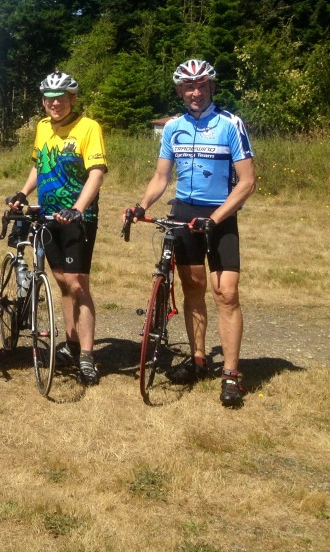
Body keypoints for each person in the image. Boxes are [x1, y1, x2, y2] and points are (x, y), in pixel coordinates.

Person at [128, 59, 255, 408]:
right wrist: (142, 205)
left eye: (201, 85)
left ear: (211, 87)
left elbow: (247, 182)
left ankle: (230, 374)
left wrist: (215, 218)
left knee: (226, 293)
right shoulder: (173, 127)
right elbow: (160, 177)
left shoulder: (231, 124)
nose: (195, 92)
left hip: (221, 215)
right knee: (193, 288)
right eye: (188, 86)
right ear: (180, 90)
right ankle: (198, 359)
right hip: (184, 211)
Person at [5, 72, 107, 385]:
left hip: (78, 218)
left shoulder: (88, 127)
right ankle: (72, 343)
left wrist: (77, 209)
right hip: (48, 217)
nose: (55, 103)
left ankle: (88, 356)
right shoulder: (42, 127)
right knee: (62, 281)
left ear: (72, 99)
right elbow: (39, 164)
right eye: (49, 98)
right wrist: (23, 192)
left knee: (78, 285)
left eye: (61, 97)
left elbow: (97, 173)